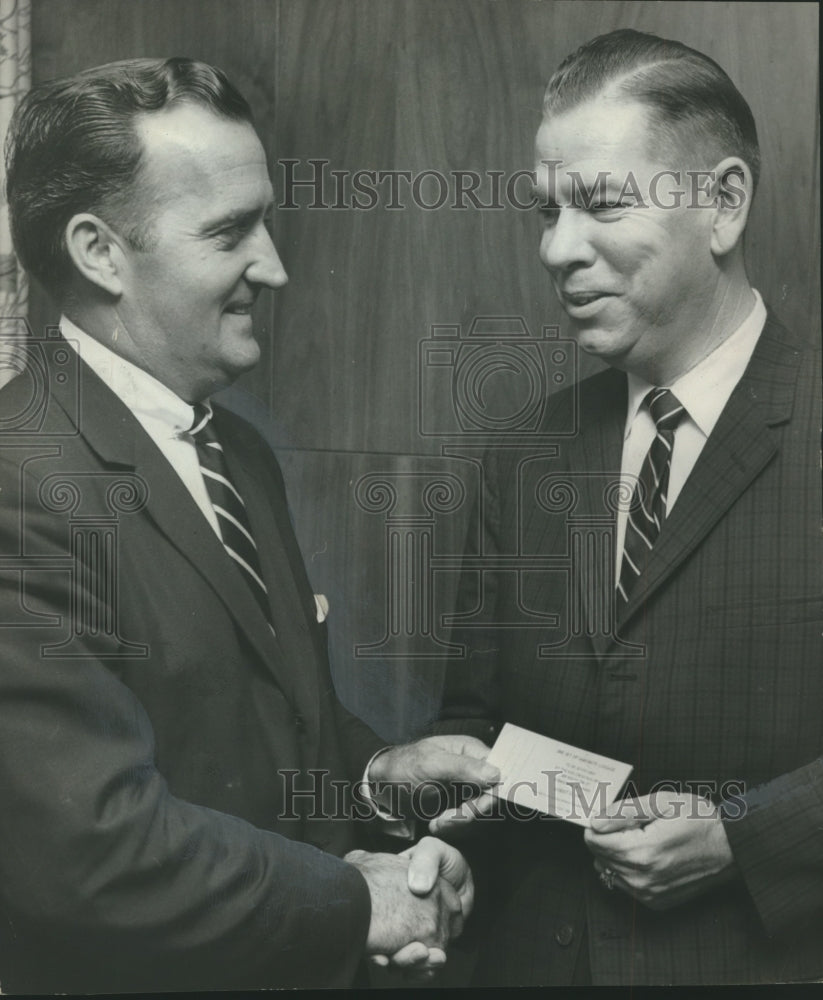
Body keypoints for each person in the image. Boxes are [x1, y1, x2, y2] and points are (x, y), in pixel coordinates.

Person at [0, 56, 494, 993]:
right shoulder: (14, 485)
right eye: (230, 232)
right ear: (99, 251)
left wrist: (377, 774)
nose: (274, 265)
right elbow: (90, 852)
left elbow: (247, 720)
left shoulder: (238, 451)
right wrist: (363, 904)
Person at [397, 28, 822, 986]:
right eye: (546, 212)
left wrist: (742, 841)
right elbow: (482, 727)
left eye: (599, 204)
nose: (555, 249)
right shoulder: (521, 455)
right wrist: (458, 854)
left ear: (721, 202)